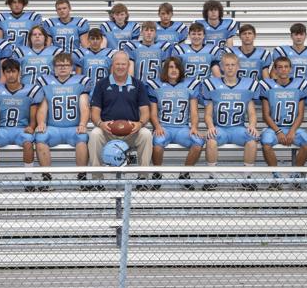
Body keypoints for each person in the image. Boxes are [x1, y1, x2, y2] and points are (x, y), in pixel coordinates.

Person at [89, 51, 153, 182]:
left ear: (128, 65)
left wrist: (140, 124)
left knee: (146, 134)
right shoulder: (102, 84)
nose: (120, 67)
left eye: (123, 64)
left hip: (131, 132)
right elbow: (95, 112)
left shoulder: (138, 84)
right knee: (95, 133)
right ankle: (97, 179)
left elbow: (145, 111)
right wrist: (101, 124)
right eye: (117, 63)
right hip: (108, 131)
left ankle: (143, 179)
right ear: (112, 65)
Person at [202, 53, 260, 190]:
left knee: (252, 140)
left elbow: (251, 112)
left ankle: (247, 178)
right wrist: (210, 127)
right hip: (220, 128)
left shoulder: (247, 85)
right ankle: (212, 178)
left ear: (238, 67)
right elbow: (208, 114)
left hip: (238, 128)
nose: (230, 68)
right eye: (227, 65)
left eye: (232, 65)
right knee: (210, 140)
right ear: (221, 67)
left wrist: (252, 126)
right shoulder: (212, 85)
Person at [34, 53, 92, 189]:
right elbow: (43, 107)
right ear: (53, 68)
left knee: (82, 138)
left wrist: (83, 124)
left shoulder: (80, 81)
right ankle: (46, 177)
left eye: (66, 65)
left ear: (71, 67)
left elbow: (84, 106)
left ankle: (82, 177)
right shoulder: (46, 82)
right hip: (54, 127)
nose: (62, 68)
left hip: (73, 127)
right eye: (59, 65)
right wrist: (41, 122)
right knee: (40, 137)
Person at [0, 59, 42, 189]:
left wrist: (32, 127)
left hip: (21, 129)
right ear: (4, 73)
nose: (11, 75)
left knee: (28, 143)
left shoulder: (30, 90)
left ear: (19, 73)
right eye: (8, 72)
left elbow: (33, 115)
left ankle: (28, 179)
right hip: (4, 129)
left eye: (13, 72)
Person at [147, 57, 204, 187]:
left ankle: (185, 174)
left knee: (198, 142)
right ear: (165, 69)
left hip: (182, 128)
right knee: (157, 143)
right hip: (164, 127)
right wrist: (157, 126)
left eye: (176, 67)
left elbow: (194, 112)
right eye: (170, 67)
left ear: (181, 70)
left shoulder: (189, 86)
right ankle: (157, 173)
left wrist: (194, 127)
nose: (173, 70)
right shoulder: (157, 86)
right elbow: (153, 112)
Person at [259, 56, 307, 188]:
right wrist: (278, 131)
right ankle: (276, 177)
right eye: (280, 67)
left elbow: (300, 114)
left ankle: (295, 175)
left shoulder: (300, 85)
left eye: (286, 67)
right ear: (275, 70)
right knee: (266, 143)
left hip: (292, 127)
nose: (283, 70)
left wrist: (292, 131)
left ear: (290, 69)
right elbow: (265, 115)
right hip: (274, 128)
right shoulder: (267, 85)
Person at [272, 23, 307, 106]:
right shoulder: (282, 51)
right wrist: (280, 88)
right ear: (291, 36)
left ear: (305, 35)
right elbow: (274, 73)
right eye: (296, 34)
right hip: (287, 89)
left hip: (305, 90)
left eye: (301, 34)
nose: (299, 37)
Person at [73, 28, 117, 96]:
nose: (95, 41)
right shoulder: (81, 54)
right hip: (86, 91)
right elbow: (78, 77)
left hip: (104, 91)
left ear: (102, 40)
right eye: (92, 39)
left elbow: (112, 76)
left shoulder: (109, 54)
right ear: (88, 40)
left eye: (97, 39)